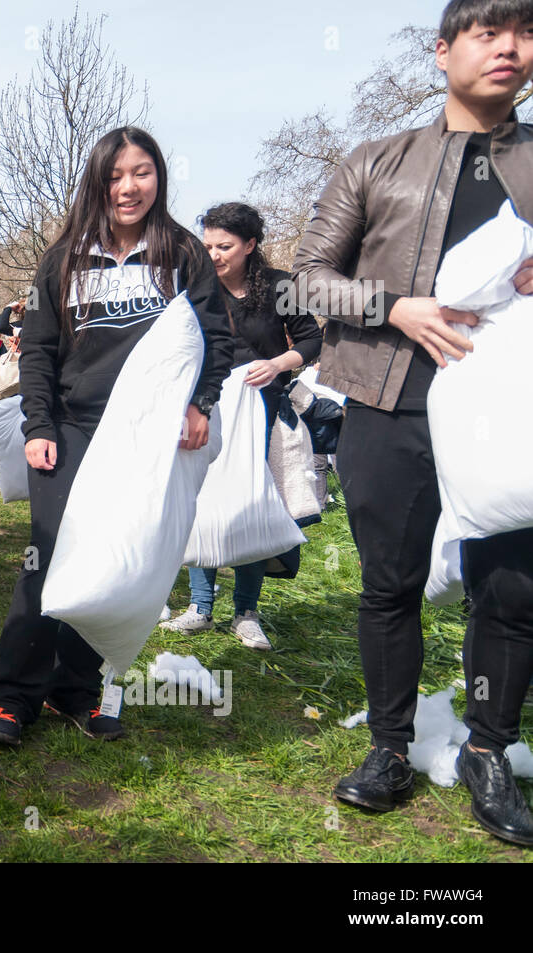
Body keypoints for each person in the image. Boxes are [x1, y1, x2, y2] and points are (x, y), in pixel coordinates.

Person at [294, 0, 533, 846]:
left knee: (510, 588)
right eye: (486, 30)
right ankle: (389, 747)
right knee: (388, 582)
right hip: (389, 401)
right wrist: (395, 307)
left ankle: (488, 750)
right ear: (442, 52)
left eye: (526, 31)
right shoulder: (377, 159)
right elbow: (308, 279)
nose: (509, 46)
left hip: (509, 411)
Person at [0, 127, 233, 747]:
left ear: (159, 178)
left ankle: (78, 690)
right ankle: (13, 699)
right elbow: (37, 350)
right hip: (70, 428)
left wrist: (201, 403)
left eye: (142, 172)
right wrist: (39, 425)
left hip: (148, 439)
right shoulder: (64, 257)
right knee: (49, 559)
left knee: (120, 562)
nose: (128, 187)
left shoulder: (183, 255)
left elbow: (216, 340)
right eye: (116, 175)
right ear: (97, 181)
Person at [161, 202, 321, 650]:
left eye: (225, 246)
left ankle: (246, 612)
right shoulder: (195, 287)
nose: (213, 254)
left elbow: (311, 338)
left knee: (250, 499)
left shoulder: (279, 285)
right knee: (204, 497)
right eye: (207, 245)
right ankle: (199, 605)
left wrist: (278, 364)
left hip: (262, 406)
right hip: (207, 404)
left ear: (251, 245)